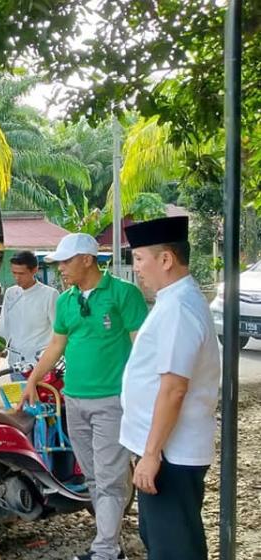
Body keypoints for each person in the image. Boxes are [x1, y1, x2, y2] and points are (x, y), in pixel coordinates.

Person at [19, 233, 148, 560]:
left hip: (112, 402)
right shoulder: (66, 301)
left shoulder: (123, 294)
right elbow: (56, 346)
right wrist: (32, 380)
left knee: (108, 478)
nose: (60, 268)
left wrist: (144, 394)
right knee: (92, 476)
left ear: (88, 259)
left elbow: (143, 348)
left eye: (66, 261)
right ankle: (111, 545)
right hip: (73, 401)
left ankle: (105, 551)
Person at [119, 217, 220, 560]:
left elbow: (174, 388)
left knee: (174, 548)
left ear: (166, 259)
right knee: (163, 540)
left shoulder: (179, 307)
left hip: (170, 453)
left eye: (139, 258)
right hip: (164, 448)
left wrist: (151, 454)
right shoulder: (173, 300)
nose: (136, 268)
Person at [0, 250, 59, 375]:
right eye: (14, 273)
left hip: (39, 366)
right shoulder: (11, 293)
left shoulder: (50, 295)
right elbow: (4, 328)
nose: (17, 278)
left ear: (34, 270)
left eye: (21, 273)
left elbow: (59, 333)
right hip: (15, 365)